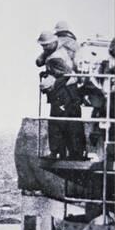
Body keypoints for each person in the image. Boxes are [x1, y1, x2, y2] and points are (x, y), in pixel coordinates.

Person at [37, 31, 86, 160]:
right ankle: (74, 153)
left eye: (46, 45)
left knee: (57, 123)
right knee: (71, 123)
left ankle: (58, 152)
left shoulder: (55, 57)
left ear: (53, 43)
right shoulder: (60, 51)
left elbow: (66, 74)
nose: (44, 48)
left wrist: (51, 83)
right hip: (69, 93)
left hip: (64, 93)